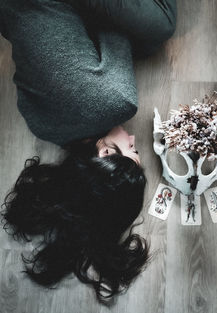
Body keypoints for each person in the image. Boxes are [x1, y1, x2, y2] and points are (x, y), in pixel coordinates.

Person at [0, 0, 177, 304]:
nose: (133, 136)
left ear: (105, 153)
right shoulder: (44, 128)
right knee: (146, 44)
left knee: (162, 26)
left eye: (131, 148)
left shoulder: (118, 101)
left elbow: (114, 30)